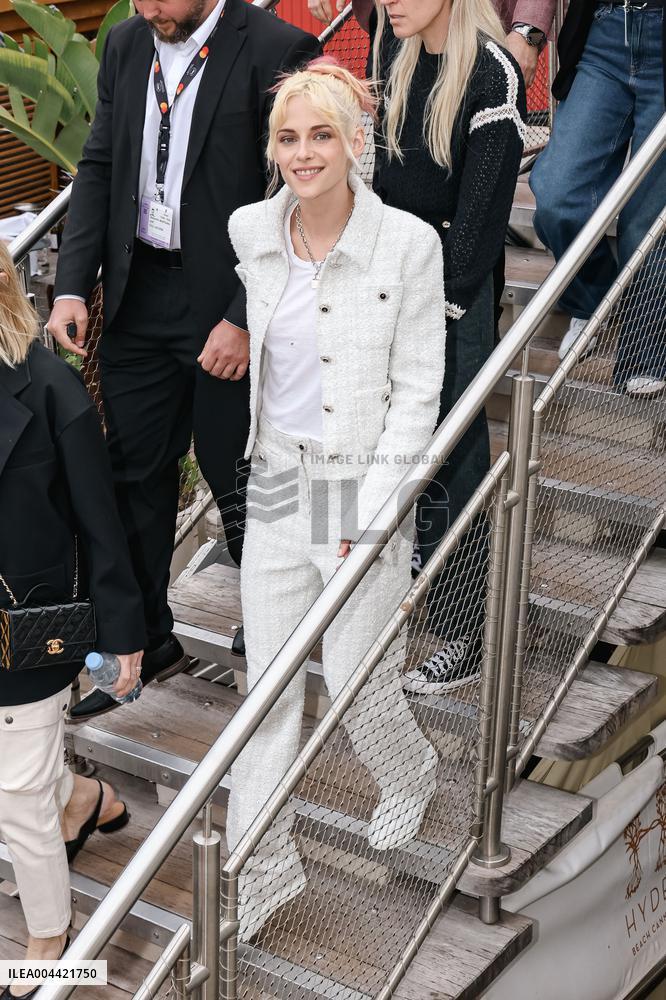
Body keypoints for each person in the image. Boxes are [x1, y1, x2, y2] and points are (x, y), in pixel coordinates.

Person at [46, 0, 321, 721]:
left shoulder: (278, 48)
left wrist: (243, 314)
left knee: (241, 476)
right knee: (131, 473)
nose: (147, 7)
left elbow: (302, 199)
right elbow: (100, 166)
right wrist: (72, 284)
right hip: (138, 294)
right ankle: (144, 642)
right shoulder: (126, 44)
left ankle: (278, 636)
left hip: (230, 301)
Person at [225, 58, 445, 942]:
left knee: (357, 680)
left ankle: (410, 771)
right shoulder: (251, 230)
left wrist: (377, 513)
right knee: (267, 694)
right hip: (279, 478)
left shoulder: (409, 246)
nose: (304, 153)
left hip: (359, 484)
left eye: (322, 135)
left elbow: (418, 395)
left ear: (357, 143)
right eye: (288, 138)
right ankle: (262, 871)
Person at [308, 0, 525, 693]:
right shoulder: (393, 51)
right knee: (361, 439)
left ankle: (463, 631)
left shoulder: (491, 74)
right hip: (385, 281)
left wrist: (427, 314)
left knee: (450, 457)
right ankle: (353, 598)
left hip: (451, 297)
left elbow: (478, 229)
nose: (387, 2)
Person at [0, 243, 145, 994]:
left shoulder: (50, 387)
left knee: (15, 793)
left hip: (27, 633)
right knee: (25, 784)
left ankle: (50, 934)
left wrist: (122, 635)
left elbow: (100, 523)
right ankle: (83, 798)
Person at [530, 0, 666, 396]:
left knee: (646, 213)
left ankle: (645, 351)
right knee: (557, 193)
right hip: (606, 27)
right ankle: (594, 301)